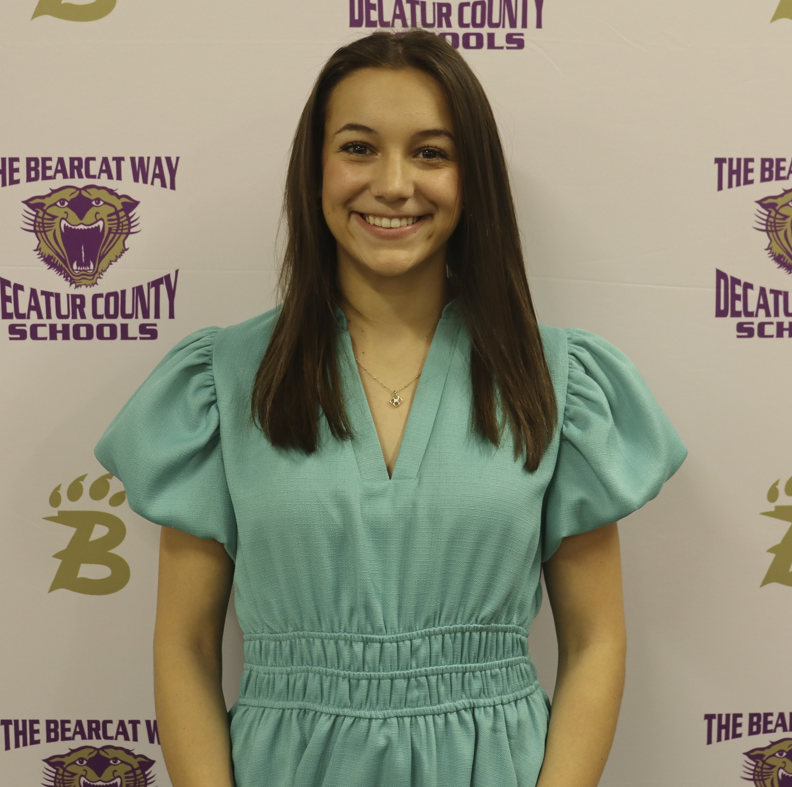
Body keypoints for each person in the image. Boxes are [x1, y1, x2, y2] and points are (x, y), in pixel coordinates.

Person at [94, 29, 687, 787]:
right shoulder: (223, 381)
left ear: (473, 179)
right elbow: (183, 644)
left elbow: (596, 639)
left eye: (431, 153)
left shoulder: (557, 381)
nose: (395, 184)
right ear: (315, 170)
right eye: (359, 148)